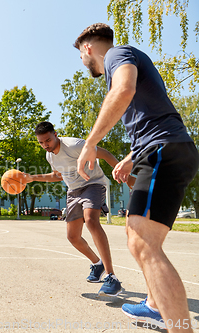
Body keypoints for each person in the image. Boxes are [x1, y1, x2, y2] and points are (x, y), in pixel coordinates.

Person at [74, 23, 199, 331]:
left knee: (143, 243)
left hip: (162, 150)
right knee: (139, 236)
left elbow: (124, 89)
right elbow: (154, 114)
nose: (82, 61)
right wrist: (130, 159)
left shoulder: (117, 54)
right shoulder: (129, 58)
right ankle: (156, 305)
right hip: (166, 147)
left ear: (87, 48)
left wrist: (90, 144)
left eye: (80, 55)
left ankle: (178, 326)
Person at [23, 121, 133, 297]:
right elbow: (58, 176)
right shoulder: (50, 156)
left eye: (48, 140)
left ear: (55, 134)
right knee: (73, 236)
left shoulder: (74, 145)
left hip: (93, 184)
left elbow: (103, 153)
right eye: (41, 142)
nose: (45, 145)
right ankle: (98, 265)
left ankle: (112, 277)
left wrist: (127, 177)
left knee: (91, 220)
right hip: (73, 191)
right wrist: (33, 177)